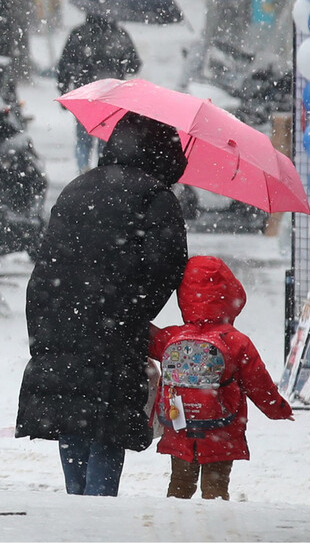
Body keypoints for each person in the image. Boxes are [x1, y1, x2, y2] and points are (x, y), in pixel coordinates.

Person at [16, 112, 188, 497]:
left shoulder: (78, 187)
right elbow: (166, 268)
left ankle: (77, 498)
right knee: (109, 418)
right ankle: (98, 506)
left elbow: (49, 257)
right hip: (113, 323)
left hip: (56, 313)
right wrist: (134, 311)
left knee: (72, 413)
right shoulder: (156, 197)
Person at [149, 255, 294, 500]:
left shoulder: (171, 337)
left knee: (179, 484)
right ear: (230, 295)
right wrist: (278, 409)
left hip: (179, 426)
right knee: (216, 488)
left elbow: (143, 338)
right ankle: (214, 531)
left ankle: (176, 529)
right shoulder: (235, 341)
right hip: (221, 430)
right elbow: (258, 383)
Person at [57, 13, 142, 173]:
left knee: (83, 138)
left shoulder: (78, 33)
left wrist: (63, 88)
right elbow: (135, 65)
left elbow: (65, 64)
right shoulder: (119, 35)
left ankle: (83, 169)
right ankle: (102, 171)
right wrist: (121, 65)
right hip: (111, 95)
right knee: (106, 138)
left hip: (85, 94)